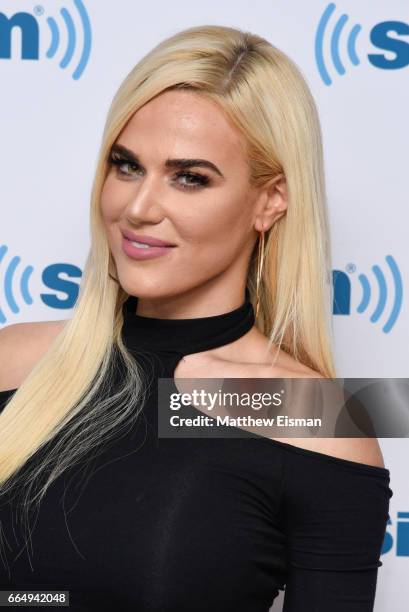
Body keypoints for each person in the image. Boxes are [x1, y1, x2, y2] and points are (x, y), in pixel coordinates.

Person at [0, 24, 392, 611]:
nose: (138, 208)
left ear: (270, 200)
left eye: (190, 178)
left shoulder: (306, 412)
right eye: (127, 166)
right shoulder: (17, 360)